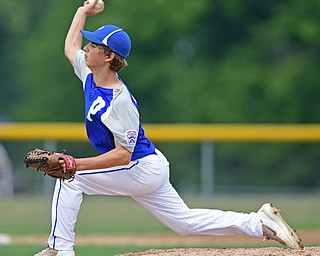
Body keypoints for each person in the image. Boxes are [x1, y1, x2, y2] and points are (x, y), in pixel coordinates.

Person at [34, 1, 303, 255]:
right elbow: (71, 46)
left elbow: (122, 155)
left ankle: (60, 250)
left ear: (109, 57)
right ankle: (259, 223)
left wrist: (76, 164)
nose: (87, 49)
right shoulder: (89, 74)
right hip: (146, 165)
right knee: (184, 223)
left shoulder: (120, 101)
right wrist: (84, 10)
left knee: (71, 177)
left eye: (94, 45)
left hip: (138, 167)